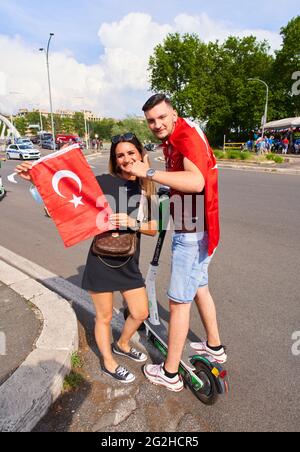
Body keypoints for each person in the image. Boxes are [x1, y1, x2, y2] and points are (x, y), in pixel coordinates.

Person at [15, 134, 157, 384]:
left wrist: (132, 222)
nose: (126, 159)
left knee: (140, 312)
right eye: (120, 155)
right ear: (115, 159)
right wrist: (38, 182)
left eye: (131, 153)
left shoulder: (147, 185)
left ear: (140, 154)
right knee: (102, 317)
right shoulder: (102, 182)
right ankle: (108, 362)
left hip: (129, 261)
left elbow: (154, 227)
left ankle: (122, 343)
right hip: (101, 259)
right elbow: (63, 201)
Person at [130, 94, 227, 393]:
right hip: (202, 225)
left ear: (173, 114)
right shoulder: (179, 134)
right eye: (151, 120)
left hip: (193, 231)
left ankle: (170, 373)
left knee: (178, 301)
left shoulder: (184, 136)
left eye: (161, 117)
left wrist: (146, 171)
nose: (156, 124)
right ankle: (215, 346)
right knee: (200, 288)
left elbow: (196, 182)